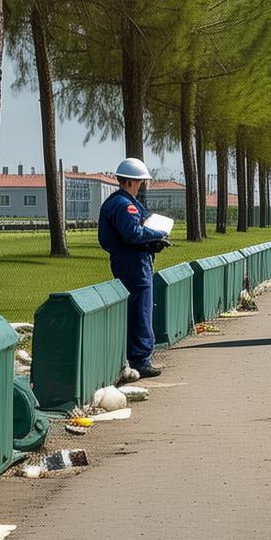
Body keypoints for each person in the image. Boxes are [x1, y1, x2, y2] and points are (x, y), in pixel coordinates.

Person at [97, 157, 171, 378]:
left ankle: (137, 356)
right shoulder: (124, 204)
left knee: (139, 308)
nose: (141, 186)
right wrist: (158, 235)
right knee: (141, 310)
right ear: (129, 181)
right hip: (133, 263)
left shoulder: (121, 201)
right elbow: (133, 233)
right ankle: (140, 359)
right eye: (139, 182)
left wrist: (151, 244)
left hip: (130, 259)